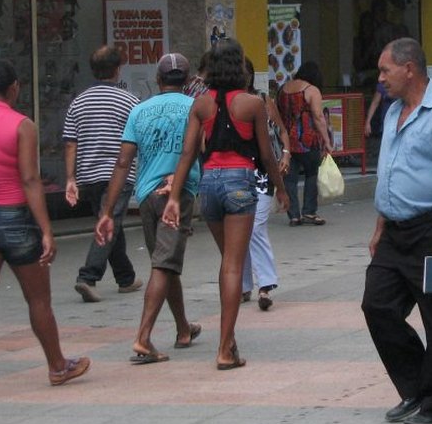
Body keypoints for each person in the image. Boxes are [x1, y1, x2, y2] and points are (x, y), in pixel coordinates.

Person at [0, 60, 90, 400]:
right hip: (13, 218)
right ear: (13, 87)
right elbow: (30, 179)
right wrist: (46, 229)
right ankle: (57, 365)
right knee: (39, 299)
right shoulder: (21, 125)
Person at [361, 37, 432, 424]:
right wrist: (380, 224)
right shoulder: (393, 112)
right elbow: (391, 172)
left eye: (385, 70)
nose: (381, 79)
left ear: (409, 68)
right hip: (394, 232)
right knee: (376, 305)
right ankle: (416, 386)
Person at [162, 41, 288, 370]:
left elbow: (187, 153)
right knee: (234, 265)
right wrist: (281, 189)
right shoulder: (252, 104)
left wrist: (174, 197)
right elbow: (266, 154)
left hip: (209, 186)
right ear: (240, 68)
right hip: (240, 184)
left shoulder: (201, 104)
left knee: (226, 263)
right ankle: (224, 348)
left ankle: (229, 341)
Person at [96, 53, 203, 366]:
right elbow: (199, 151)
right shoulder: (195, 109)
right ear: (187, 81)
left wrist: (107, 211)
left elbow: (122, 162)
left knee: (165, 263)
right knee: (163, 265)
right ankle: (143, 337)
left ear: (158, 80)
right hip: (177, 194)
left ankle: (183, 328)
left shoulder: (138, 110)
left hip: (145, 196)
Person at [65, 46, 143, 303]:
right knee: (109, 223)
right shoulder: (129, 101)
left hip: (88, 174)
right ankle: (87, 277)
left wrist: (70, 178)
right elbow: (139, 139)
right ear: (118, 69)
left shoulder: (79, 101)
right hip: (118, 175)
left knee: (110, 222)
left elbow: (70, 143)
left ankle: (126, 277)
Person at [241, 57, 289, 310]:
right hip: (236, 175)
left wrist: (287, 153)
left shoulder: (262, 99)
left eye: (246, 72)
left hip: (262, 174)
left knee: (256, 226)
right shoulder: (224, 103)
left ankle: (265, 285)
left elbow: (281, 130)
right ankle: (243, 284)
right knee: (241, 230)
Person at [278, 61, 333, 226]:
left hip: (287, 141)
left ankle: (294, 215)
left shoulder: (283, 89)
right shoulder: (311, 90)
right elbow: (318, 117)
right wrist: (327, 141)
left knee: (290, 178)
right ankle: (309, 211)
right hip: (307, 141)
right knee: (312, 174)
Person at [363, 81, 392, 167]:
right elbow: (375, 103)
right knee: (387, 149)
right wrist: (368, 122)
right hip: (387, 123)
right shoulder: (383, 84)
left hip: (403, 121)